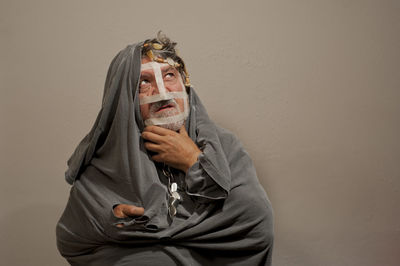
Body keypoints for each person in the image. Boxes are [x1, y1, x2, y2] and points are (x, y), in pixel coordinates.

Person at [56, 32, 274, 266]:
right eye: (144, 83)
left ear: (185, 83)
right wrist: (109, 221)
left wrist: (194, 162)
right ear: (124, 99)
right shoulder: (108, 158)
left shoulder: (223, 146)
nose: (162, 93)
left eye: (169, 75)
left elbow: (256, 224)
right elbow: (70, 238)